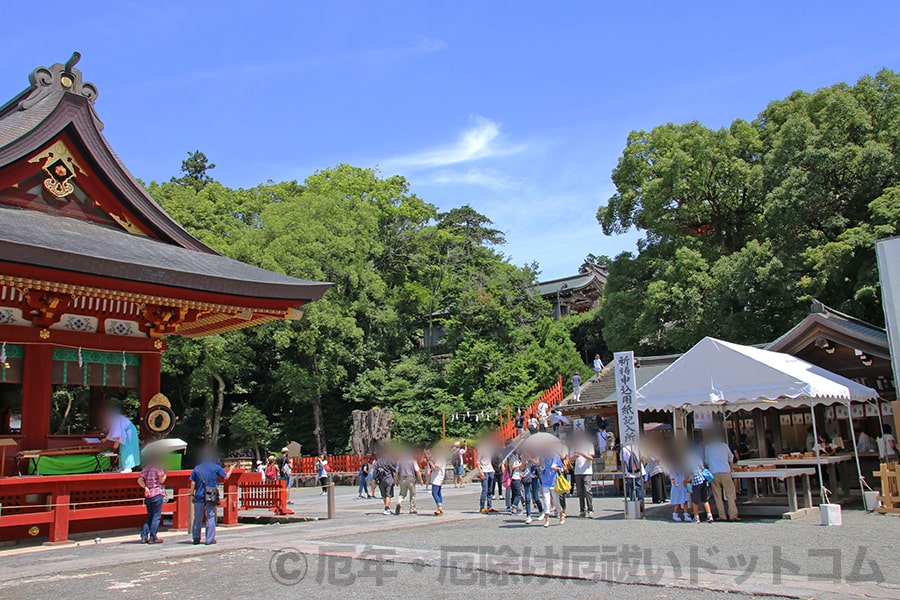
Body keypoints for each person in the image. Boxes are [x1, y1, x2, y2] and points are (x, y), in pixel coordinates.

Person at [190, 451, 236, 545]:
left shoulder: (197, 468)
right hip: (211, 495)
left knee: (197, 517)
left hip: (199, 495)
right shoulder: (216, 467)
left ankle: (196, 538)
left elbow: (193, 483)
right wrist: (231, 469)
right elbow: (226, 477)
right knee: (210, 516)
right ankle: (209, 539)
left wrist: (191, 494)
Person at [705, 433, 740, 522]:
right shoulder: (724, 446)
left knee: (717, 496)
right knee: (730, 495)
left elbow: (707, 461)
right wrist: (732, 469)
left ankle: (722, 515)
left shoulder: (708, 447)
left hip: (714, 473)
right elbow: (731, 458)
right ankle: (733, 515)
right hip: (725, 472)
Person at [137, 453, 167, 544]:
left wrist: (145, 487)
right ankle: (153, 537)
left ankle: (144, 536)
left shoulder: (146, 467)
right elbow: (161, 480)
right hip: (157, 492)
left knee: (149, 515)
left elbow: (140, 479)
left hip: (148, 493)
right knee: (156, 516)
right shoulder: (158, 467)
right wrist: (166, 473)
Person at [104, 407, 140, 473]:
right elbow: (114, 431)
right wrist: (106, 439)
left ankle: (128, 467)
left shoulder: (116, 419)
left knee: (127, 449)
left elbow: (117, 433)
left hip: (129, 433)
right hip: (125, 433)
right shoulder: (115, 419)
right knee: (122, 450)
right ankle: (122, 467)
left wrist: (116, 442)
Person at [538, 450, 565, 527]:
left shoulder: (556, 457)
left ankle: (561, 514)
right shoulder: (542, 457)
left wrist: (557, 469)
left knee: (556, 501)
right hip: (545, 481)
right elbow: (540, 470)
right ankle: (547, 519)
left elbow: (561, 468)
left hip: (554, 481)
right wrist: (542, 465)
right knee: (546, 501)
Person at [571, 432, 594, 518]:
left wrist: (582, 453)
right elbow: (570, 459)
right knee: (580, 492)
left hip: (587, 471)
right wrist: (575, 456)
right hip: (577, 471)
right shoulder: (574, 446)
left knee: (587, 490)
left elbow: (591, 457)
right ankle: (582, 510)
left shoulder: (589, 445)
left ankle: (590, 509)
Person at [689, 449, 714, 524]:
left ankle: (696, 517)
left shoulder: (688, 460)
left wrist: (686, 480)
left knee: (695, 501)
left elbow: (688, 472)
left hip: (696, 482)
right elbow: (702, 468)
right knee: (705, 499)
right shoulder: (698, 458)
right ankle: (710, 515)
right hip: (703, 480)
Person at [519, 451, 543, 525]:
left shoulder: (537, 454)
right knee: (527, 497)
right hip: (526, 477)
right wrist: (524, 460)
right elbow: (522, 467)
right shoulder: (523, 455)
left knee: (536, 497)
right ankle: (528, 516)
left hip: (535, 477)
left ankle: (541, 510)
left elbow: (537, 463)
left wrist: (530, 458)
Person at [372, 450, 397, 515]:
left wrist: (375, 479)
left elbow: (374, 472)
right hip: (389, 479)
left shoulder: (377, 462)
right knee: (388, 494)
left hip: (380, 480)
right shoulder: (388, 460)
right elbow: (395, 469)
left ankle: (386, 507)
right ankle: (387, 508)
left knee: (384, 495)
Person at [669, 457, 691, 522]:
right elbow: (672, 478)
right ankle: (675, 514)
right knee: (678, 501)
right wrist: (675, 483)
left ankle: (686, 514)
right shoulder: (673, 468)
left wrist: (686, 480)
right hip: (677, 486)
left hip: (682, 484)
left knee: (685, 500)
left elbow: (686, 474)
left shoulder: (682, 467)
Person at [477, 441, 496, 513]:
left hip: (490, 469)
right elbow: (478, 462)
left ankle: (489, 506)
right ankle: (482, 507)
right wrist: (480, 472)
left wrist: (492, 469)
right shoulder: (481, 449)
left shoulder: (490, 449)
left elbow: (489, 460)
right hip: (484, 470)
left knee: (490, 490)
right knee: (485, 490)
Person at [428, 448, 446, 515]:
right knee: (438, 493)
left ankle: (439, 507)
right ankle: (439, 507)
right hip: (438, 477)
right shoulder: (441, 458)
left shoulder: (440, 459)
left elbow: (435, 468)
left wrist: (430, 463)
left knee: (434, 493)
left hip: (437, 478)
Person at [506, 450, 523, 514]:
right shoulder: (512, 457)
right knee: (518, 494)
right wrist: (520, 464)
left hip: (516, 476)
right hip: (514, 477)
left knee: (514, 494)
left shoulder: (516, 456)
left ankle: (513, 509)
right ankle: (514, 508)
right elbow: (512, 467)